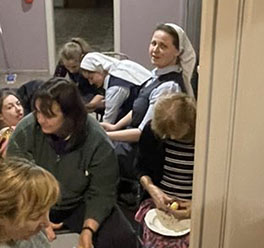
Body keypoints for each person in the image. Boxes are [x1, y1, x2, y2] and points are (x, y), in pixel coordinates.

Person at [8, 77, 139, 248]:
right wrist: (36, 211)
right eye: (38, 112)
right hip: (34, 202)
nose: (40, 119)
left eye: (49, 115)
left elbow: (102, 191)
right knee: (5, 235)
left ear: (70, 115)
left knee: (121, 240)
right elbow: (13, 176)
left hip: (80, 202)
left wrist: (89, 228)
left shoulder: (97, 139)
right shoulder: (26, 130)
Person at [105, 23, 196, 180]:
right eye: (153, 43)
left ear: (177, 52)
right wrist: (114, 127)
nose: (155, 50)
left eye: (163, 46)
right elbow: (140, 108)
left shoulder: (168, 87)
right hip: (130, 142)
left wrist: (107, 136)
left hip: (141, 153)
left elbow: (143, 133)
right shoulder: (155, 75)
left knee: (96, 157)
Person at [135, 92, 196, 248]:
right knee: (156, 242)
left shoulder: (209, 138)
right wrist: (152, 189)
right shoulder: (154, 132)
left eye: (176, 135)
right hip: (159, 201)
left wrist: (195, 208)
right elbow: (141, 168)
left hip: (197, 206)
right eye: (166, 135)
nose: (170, 139)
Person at [0, 81, 44, 165]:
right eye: (10, 107)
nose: (18, 109)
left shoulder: (22, 112)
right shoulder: (6, 139)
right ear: (0, 116)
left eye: (18, 104)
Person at [79, 52, 152, 125]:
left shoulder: (114, 88)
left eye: (91, 78)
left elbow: (108, 121)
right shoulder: (124, 65)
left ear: (100, 70)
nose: (91, 83)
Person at [54, 37, 104, 111]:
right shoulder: (63, 62)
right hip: (79, 90)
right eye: (67, 67)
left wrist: (89, 106)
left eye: (74, 67)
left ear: (81, 59)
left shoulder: (89, 64)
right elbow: (55, 81)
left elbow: (101, 91)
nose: (71, 71)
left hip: (93, 92)